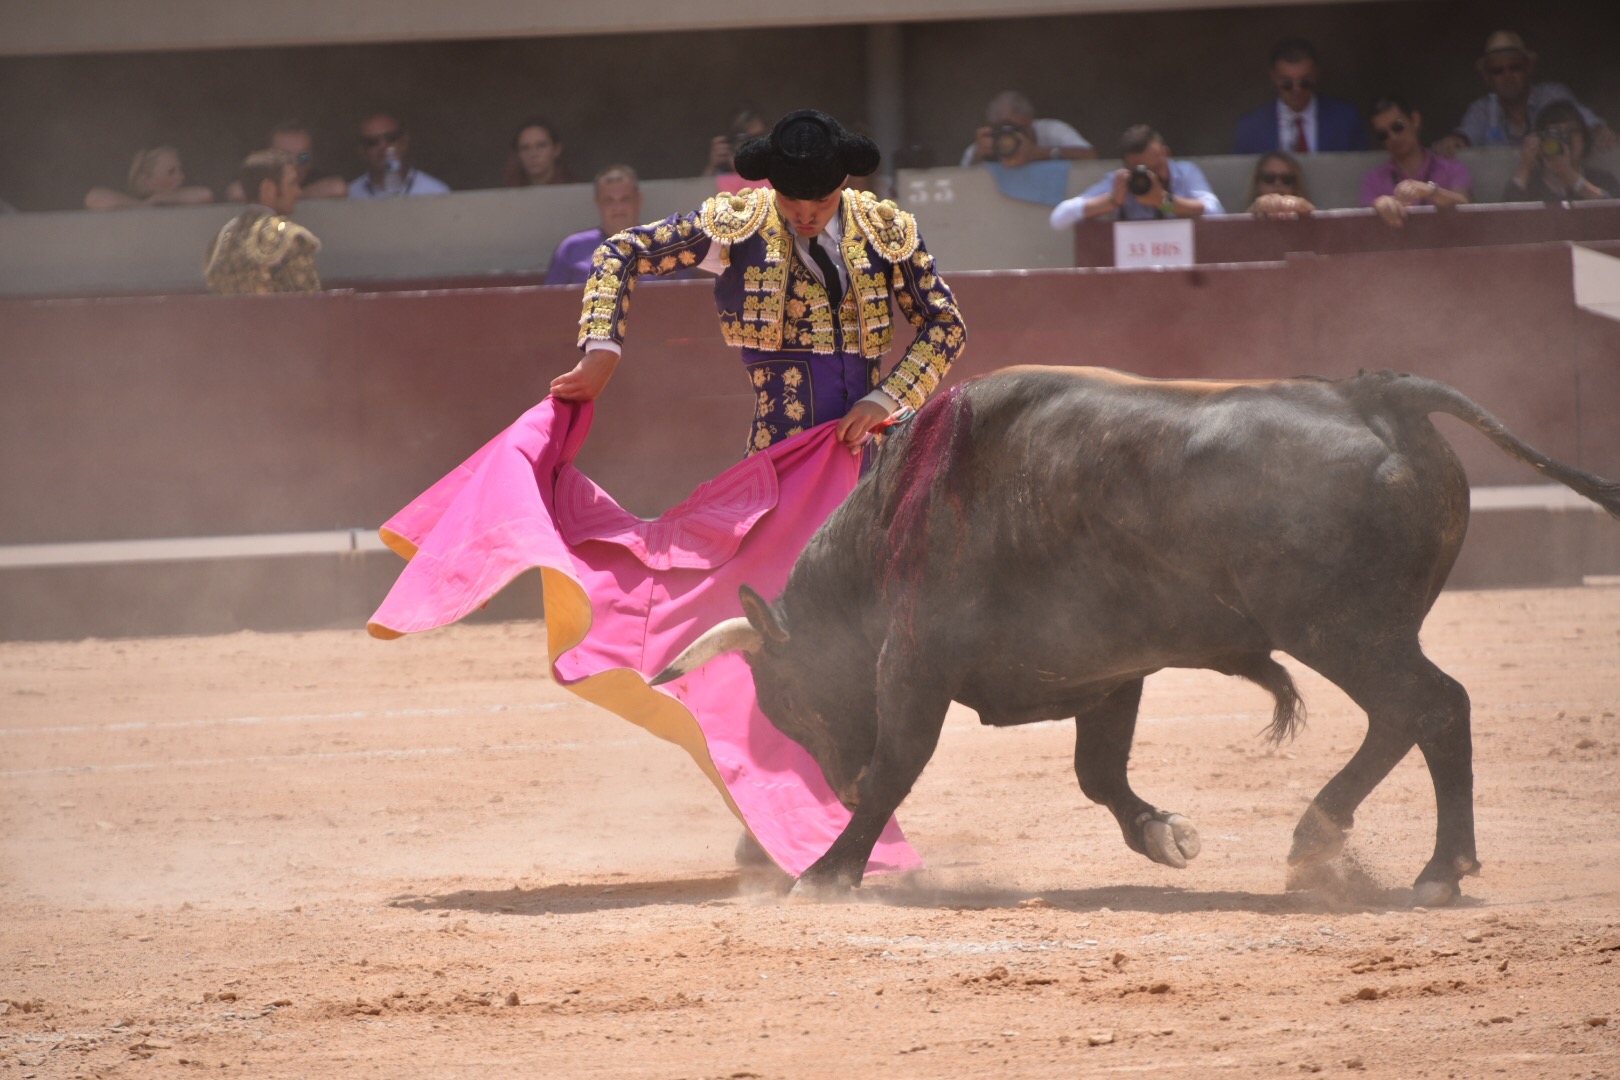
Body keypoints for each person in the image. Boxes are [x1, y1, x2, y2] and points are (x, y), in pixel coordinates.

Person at [551, 108, 967, 459]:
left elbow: (945, 325)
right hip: (782, 460)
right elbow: (621, 251)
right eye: (790, 200)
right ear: (771, 185)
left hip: (871, 459)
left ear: (843, 183)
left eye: (821, 201)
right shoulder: (737, 225)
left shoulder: (884, 228)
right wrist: (601, 350)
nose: (806, 215)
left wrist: (886, 399)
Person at [1435, 32, 1615, 157]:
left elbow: (1591, 125)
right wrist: (1453, 143)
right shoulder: (1481, 109)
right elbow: (1463, 139)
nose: (1508, 76)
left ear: (1529, 68)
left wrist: (1600, 132)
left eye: (1515, 68)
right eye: (1498, 71)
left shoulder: (1553, 95)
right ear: (1487, 78)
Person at [1049, 125, 1224, 227]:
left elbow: (1217, 213)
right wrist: (1111, 201)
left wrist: (1165, 202)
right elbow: (1059, 219)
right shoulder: (1119, 181)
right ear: (1127, 168)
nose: (1151, 178)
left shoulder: (1185, 172)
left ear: (1166, 154)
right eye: (1142, 173)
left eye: (1155, 169)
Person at [203, 149, 321, 294]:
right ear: (268, 189)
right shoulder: (290, 237)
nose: (298, 192)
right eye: (292, 184)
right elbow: (310, 303)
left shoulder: (220, 241)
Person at [1231, 38, 1369, 154]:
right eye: (1287, 84)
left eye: (1304, 82)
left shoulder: (1345, 119)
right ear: (1273, 78)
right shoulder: (1251, 127)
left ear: (1315, 75)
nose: (1296, 90)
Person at [1360, 96, 1472, 228]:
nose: (1393, 137)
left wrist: (1430, 190)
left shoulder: (1452, 168)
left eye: (1398, 126)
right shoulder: (1373, 180)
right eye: (1383, 135)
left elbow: (1466, 206)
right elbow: (1366, 229)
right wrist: (1379, 206)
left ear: (1415, 120)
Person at [545, 165, 646, 287]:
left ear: (638, 200)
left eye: (625, 199)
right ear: (597, 203)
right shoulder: (571, 249)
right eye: (609, 200)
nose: (618, 208)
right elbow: (550, 301)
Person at [1503, 100, 1618, 203]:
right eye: (1556, 133)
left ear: (1584, 138)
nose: (1566, 140)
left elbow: (1614, 214)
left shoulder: (1602, 179)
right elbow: (1507, 215)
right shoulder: (1530, 184)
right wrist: (1525, 166)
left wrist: (1570, 177)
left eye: (1572, 131)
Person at [960, 91, 1096, 167]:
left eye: (1017, 130)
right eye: (1003, 130)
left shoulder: (1052, 130)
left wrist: (1039, 153)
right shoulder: (983, 146)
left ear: (1031, 122)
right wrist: (976, 159)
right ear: (992, 129)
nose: (1011, 137)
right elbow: (959, 187)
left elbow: (1090, 156)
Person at [225, 121, 347, 202]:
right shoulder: (258, 175)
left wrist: (287, 195)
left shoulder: (315, 177)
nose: (295, 164)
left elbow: (338, 188)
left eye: (303, 157)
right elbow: (236, 192)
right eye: (286, 157)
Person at [347, 113, 451, 199]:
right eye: (372, 142)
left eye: (391, 138)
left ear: (404, 141)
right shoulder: (351, 195)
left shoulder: (434, 190)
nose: (383, 146)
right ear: (362, 150)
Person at [84, 146, 215, 211]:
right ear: (146, 180)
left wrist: (163, 200)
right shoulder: (130, 202)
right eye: (171, 172)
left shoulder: (181, 200)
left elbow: (205, 195)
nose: (181, 177)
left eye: (180, 170)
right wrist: (143, 205)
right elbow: (93, 198)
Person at [504, 118, 574, 187]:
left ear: (556, 150)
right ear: (518, 154)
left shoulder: (574, 188)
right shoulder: (509, 190)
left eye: (541, 146)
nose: (533, 154)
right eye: (525, 148)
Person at [703, 107, 770, 178]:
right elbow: (701, 188)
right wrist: (712, 167)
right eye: (748, 140)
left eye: (761, 137)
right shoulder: (724, 169)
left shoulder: (776, 161)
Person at [1246, 151, 1315, 217]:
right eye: (1269, 178)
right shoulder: (1244, 221)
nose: (1278, 183)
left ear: (1295, 186)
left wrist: (1307, 212)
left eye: (1286, 179)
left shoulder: (1308, 214)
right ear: (1258, 184)